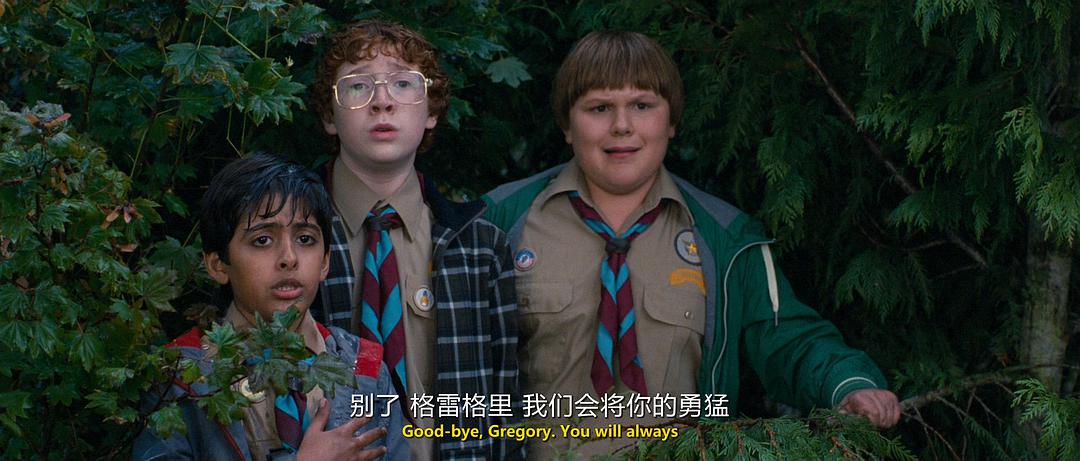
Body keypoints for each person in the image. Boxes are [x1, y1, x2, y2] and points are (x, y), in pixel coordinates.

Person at [482, 31, 901, 458]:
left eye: (642, 105)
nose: (622, 125)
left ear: (671, 121)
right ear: (567, 125)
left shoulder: (726, 238)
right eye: (599, 108)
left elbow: (786, 338)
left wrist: (848, 384)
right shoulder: (497, 223)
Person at [310, 20, 523, 460]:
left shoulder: (479, 247)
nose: (382, 101)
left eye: (403, 84)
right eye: (358, 86)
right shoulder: (293, 240)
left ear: (431, 112)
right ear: (329, 116)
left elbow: (505, 400)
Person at [133, 153, 406, 461]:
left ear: (325, 261)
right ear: (218, 264)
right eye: (262, 240)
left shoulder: (366, 365)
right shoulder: (181, 372)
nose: (289, 258)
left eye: (305, 239)